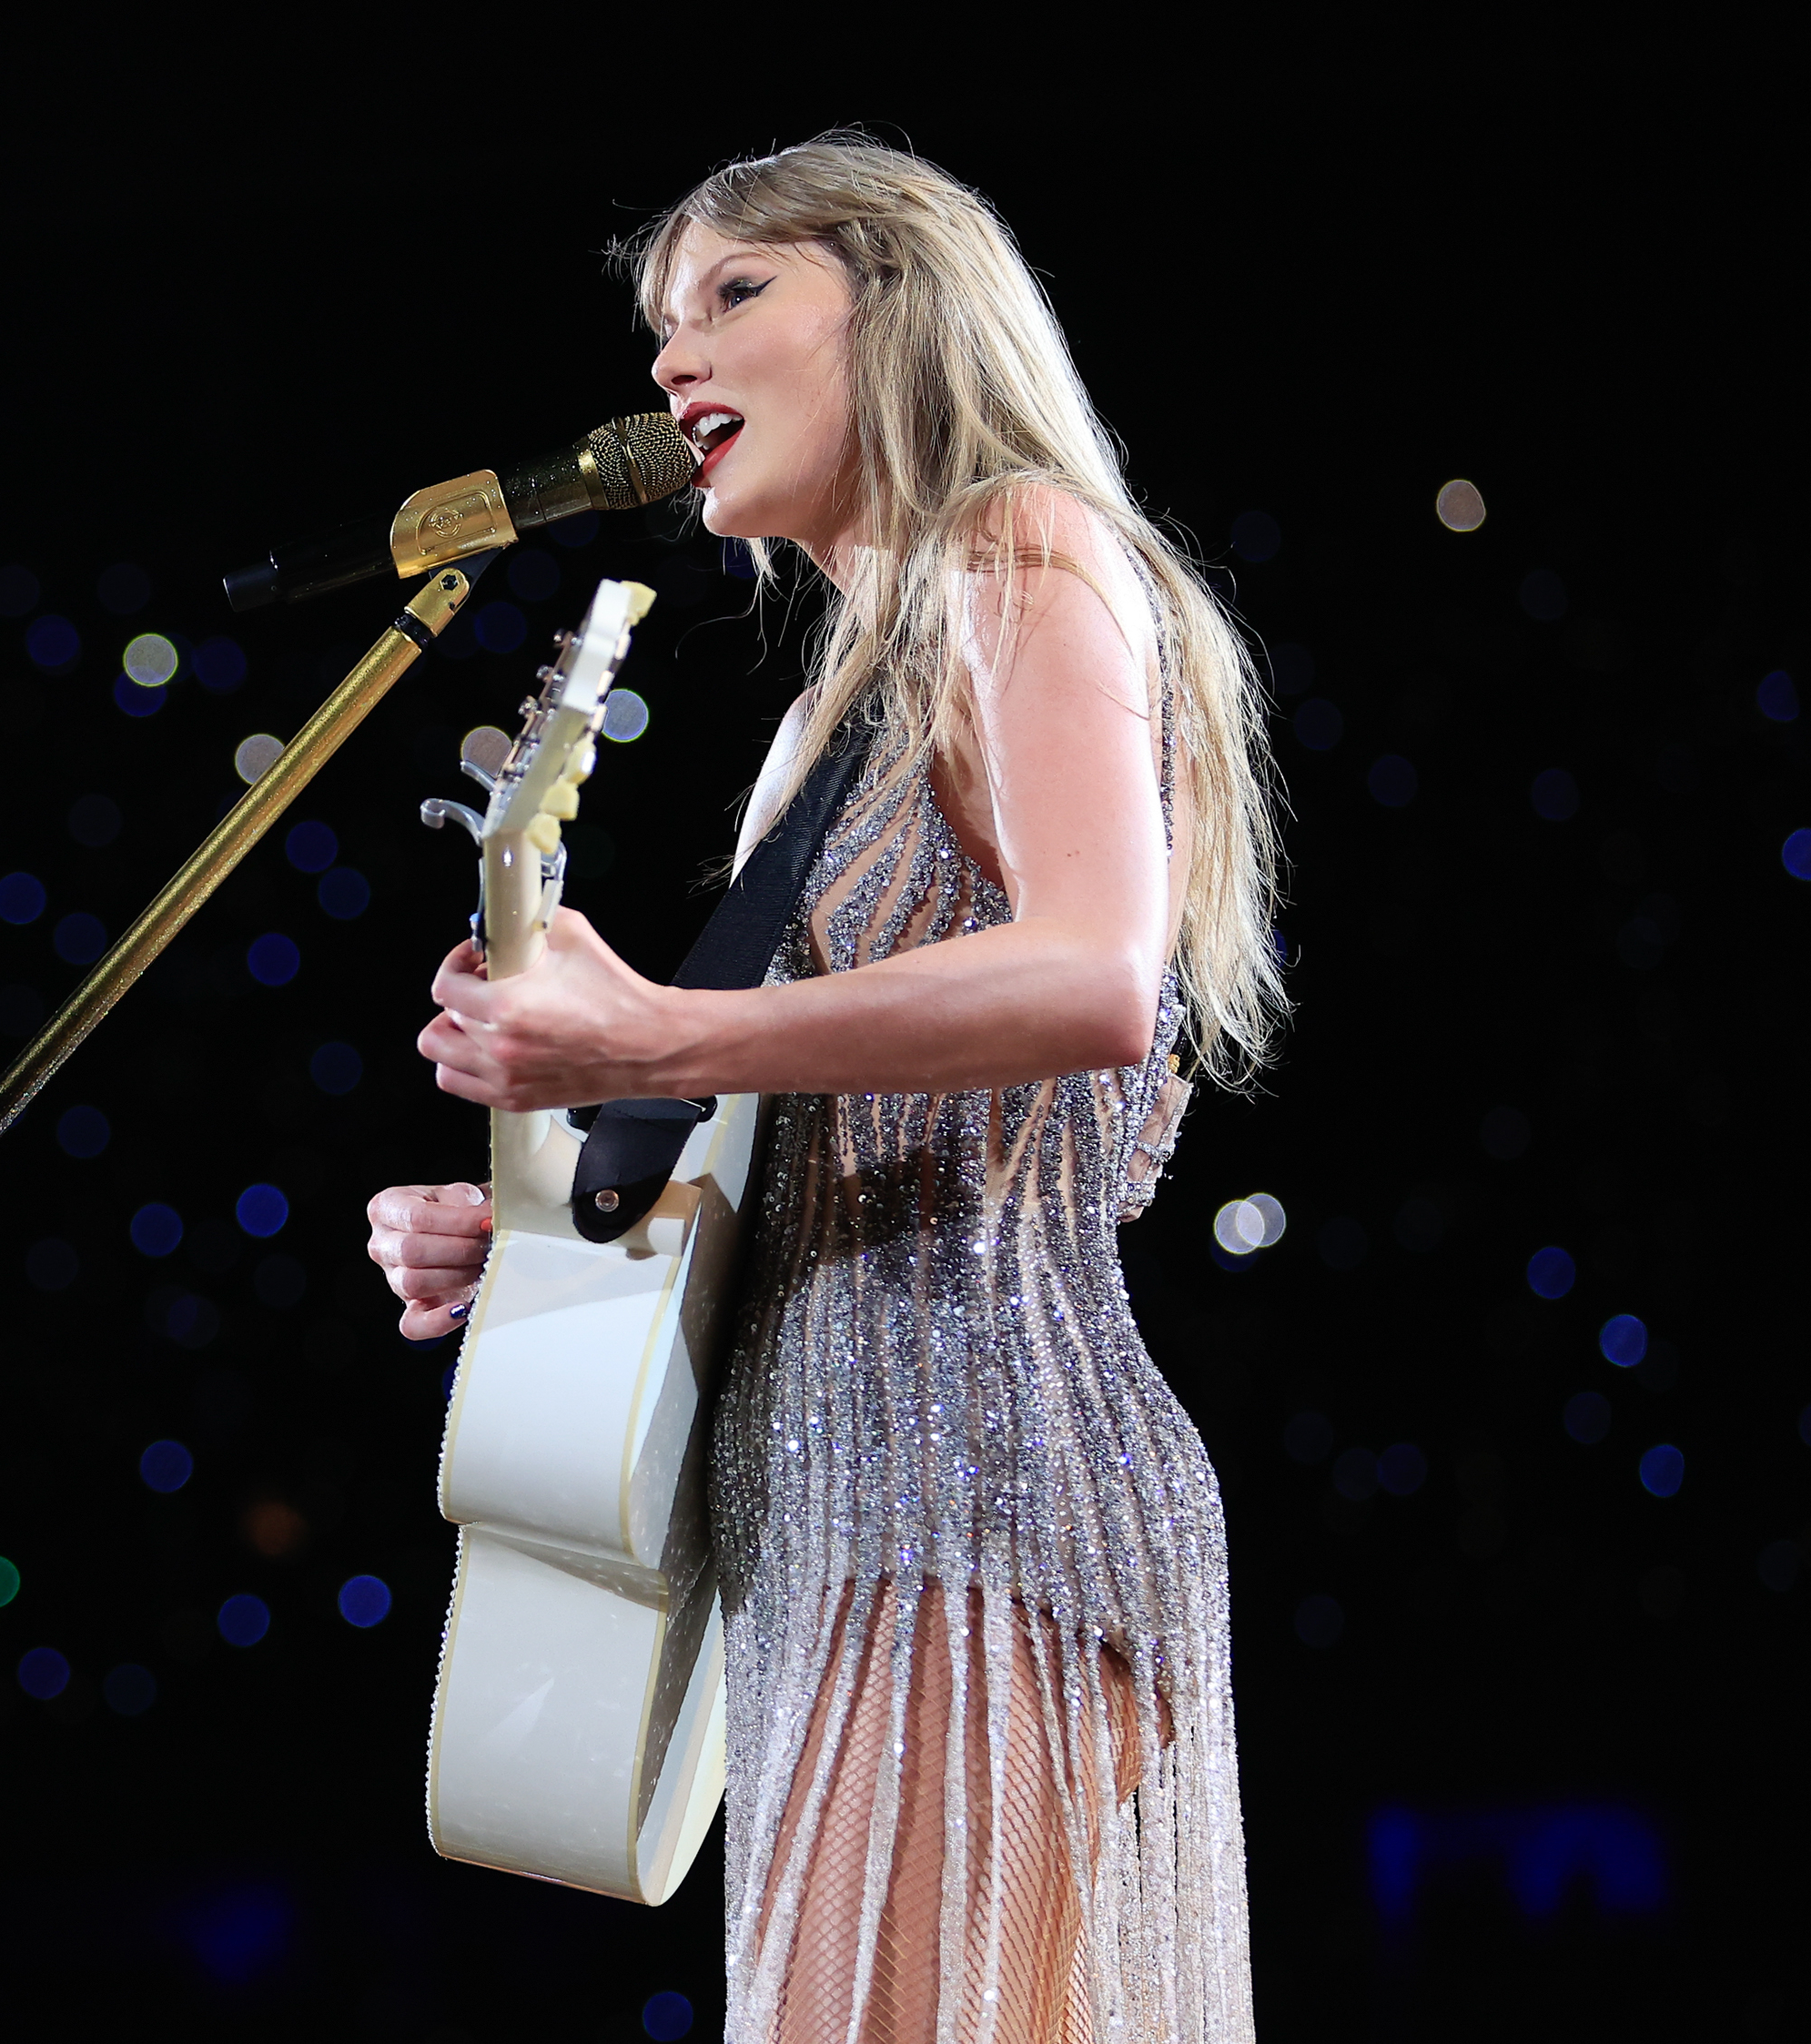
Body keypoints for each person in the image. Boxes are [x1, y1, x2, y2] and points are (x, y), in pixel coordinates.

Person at [363, 135, 1280, 2042]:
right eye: (656, 324)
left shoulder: (1021, 547)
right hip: (842, 1502)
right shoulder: (827, 708)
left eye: (734, 293)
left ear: (905, 298)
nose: (674, 360)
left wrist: (652, 1038)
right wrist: (545, 1242)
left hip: (976, 1479)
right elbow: (831, 1135)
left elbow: (1093, 972)